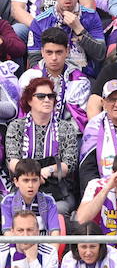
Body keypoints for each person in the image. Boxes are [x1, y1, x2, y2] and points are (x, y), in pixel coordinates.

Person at [7, 76, 79, 212]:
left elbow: (69, 165)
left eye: (50, 96)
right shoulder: (16, 126)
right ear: (29, 100)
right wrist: (34, 176)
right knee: (16, 209)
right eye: (41, 96)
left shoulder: (66, 128)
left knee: (60, 208)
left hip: (56, 188)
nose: (47, 100)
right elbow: (12, 161)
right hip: (24, 184)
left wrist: (48, 171)